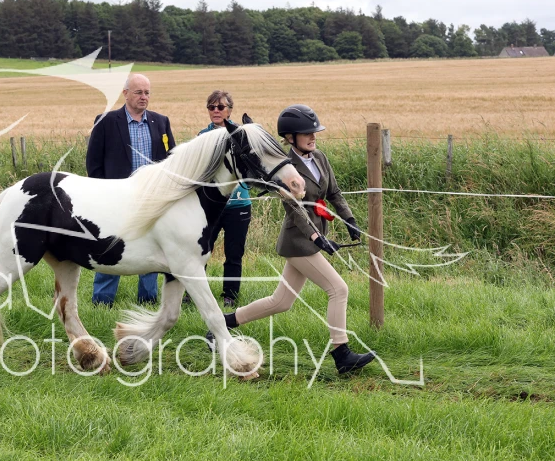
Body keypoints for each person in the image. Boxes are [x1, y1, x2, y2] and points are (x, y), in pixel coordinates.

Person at [208, 105, 375, 375]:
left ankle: (223, 323)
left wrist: (349, 220)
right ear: (290, 137)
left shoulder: (319, 158)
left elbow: (334, 192)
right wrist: (316, 237)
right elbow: (294, 209)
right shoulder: (285, 168)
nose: (313, 137)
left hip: (312, 239)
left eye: (314, 132)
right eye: (306, 133)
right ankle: (341, 353)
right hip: (298, 242)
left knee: (281, 302)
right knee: (338, 289)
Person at [85, 73, 176, 306]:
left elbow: (171, 161)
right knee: (110, 246)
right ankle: (102, 301)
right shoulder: (106, 121)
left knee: (151, 248)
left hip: (152, 198)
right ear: (125, 93)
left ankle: (148, 299)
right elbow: (93, 164)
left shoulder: (161, 122)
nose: (144, 97)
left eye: (147, 92)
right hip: (116, 199)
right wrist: (102, 194)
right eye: (138, 92)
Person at [197, 90, 251, 308]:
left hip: (238, 204)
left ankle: (230, 296)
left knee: (234, 254)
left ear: (230, 110)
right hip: (211, 206)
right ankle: (194, 293)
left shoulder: (241, 134)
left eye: (220, 107)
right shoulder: (202, 136)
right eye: (211, 107)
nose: (216, 111)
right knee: (201, 251)